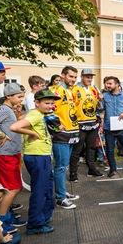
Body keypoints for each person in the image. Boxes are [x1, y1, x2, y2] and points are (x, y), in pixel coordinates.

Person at [10, 89, 60, 235]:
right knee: (40, 191)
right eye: (46, 103)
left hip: (42, 156)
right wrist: (32, 133)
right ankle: (35, 225)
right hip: (37, 157)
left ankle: (43, 217)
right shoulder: (36, 115)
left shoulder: (39, 114)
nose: (50, 106)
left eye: (51, 103)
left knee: (46, 189)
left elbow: (20, 121)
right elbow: (14, 127)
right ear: (37, 103)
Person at [0, 83, 26, 233]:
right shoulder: (3, 109)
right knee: (14, 188)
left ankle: (8, 216)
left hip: (12, 152)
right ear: (9, 96)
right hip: (6, 154)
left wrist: (17, 114)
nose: (21, 100)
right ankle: (2, 221)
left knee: (9, 187)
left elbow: (11, 125)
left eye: (22, 97)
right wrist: (0, 134)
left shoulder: (10, 109)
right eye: (19, 97)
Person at [50, 66, 80, 209]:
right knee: (61, 167)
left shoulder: (69, 90)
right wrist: (57, 126)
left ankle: (62, 191)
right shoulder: (56, 90)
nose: (73, 79)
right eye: (70, 76)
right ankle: (60, 197)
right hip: (61, 135)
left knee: (64, 166)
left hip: (72, 133)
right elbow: (49, 110)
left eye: (75, 77)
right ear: (63, 75)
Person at [69, 69, 103, 182]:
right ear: (82, 77)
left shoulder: (93, 89)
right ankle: (73, 173)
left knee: (91, 148)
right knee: (77, 149)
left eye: (91, 77)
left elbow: (97, 105)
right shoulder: (75, 89)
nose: (89, 79)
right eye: (87, 77)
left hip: (92, 123)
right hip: (80, 124)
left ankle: (91, 169)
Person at [101, 76, 123, 177]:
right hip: (108, 127)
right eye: (106, 83)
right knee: (110, 150)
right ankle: (113, 169)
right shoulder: (104, 96)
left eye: (110, 83)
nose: (107, 85)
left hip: (122, 127)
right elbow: (101, 110)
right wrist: (101, 118)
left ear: (117, 84)